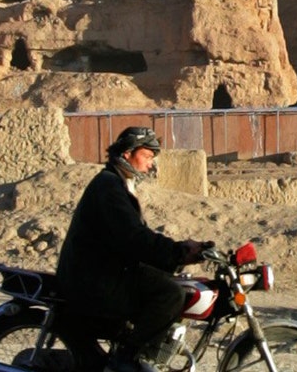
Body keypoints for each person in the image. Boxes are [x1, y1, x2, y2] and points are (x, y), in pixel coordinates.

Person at [55, 126, 208, 372]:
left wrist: (176, 254)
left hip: (102, 271)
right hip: (92, 279)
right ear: (127, 153)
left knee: (169, 281)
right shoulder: (109, 186)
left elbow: (135, 239)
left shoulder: (117, 183)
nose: (150, 165)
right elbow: (134, 238)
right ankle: (127, 360)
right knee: (170, 293)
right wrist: (177, 252)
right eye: (147, 157)